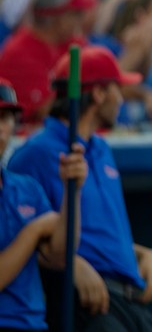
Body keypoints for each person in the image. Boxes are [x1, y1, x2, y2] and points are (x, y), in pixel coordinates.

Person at [8, 46, 152, 332]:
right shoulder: (36, 153)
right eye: (117, 89)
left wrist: (141, 254)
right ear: (100, 94)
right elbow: (22, 237)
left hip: (130, 303)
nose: (121, 99)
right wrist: (72, 263)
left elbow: (100, 231)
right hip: (89, 305)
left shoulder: (101, 147)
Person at [0, 77, 87, 332]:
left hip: (34, 324)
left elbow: (60, 255)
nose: (2, 129)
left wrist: (73, 191)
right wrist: (34, 230)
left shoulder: (26, 188)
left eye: (7, 119)